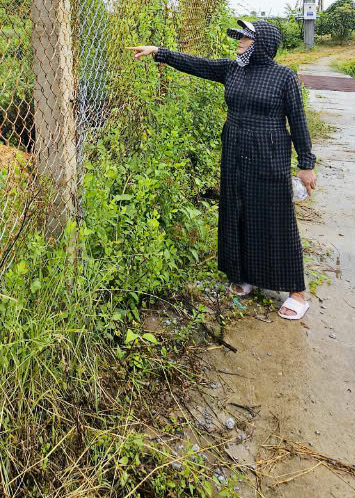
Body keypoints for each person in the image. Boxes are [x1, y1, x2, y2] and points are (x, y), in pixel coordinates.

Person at [130, 19, 318, 320]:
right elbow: (198, 64)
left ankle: (297, 292)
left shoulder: (283, 77)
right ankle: (245, 275)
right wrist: (159, 52)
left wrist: (306, 164)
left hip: (269, 157)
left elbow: (297, 120)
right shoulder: (233, 69)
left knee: (276, 218)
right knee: (238, 211)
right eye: (240, 38)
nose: (239, 42)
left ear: (262, 43)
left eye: (245, 38)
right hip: (234, 154)